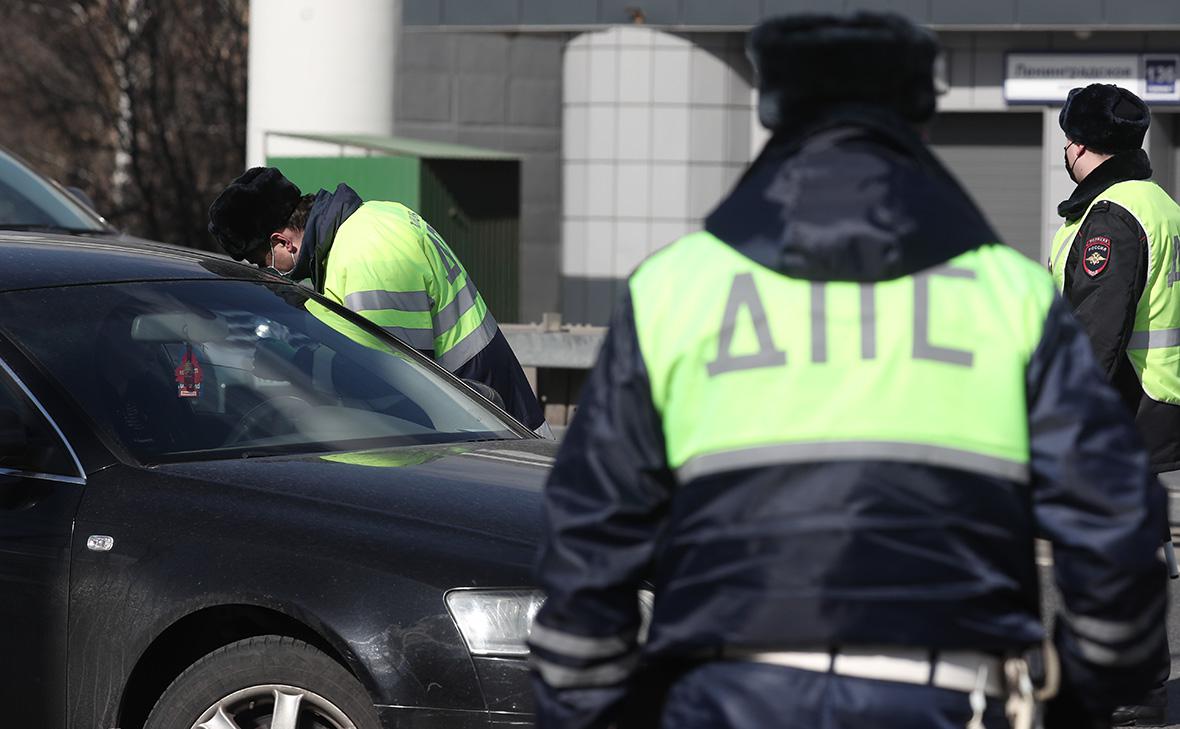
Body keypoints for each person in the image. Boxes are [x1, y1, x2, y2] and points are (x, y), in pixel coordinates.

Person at [527, 12, 1168, 729]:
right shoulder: (1007, 295)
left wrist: (594, 708)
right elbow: (1118, 533)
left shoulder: (674, 289)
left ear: (773, 111)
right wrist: (1077, 694)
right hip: (955, 698)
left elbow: (588, 537)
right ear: (920, 120)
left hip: (726, 696)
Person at [207, 168, 548, 435]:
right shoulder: (376, 218)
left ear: (282, 241)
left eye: (261, 260)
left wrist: (289, 363)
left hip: (485, 439)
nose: (268, 270)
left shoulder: (365, 258)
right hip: (495, 425)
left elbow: (394, 382)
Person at [1049, 83, 1180, 727]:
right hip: (1155, 401)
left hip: (1123, 409)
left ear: (1077, 145)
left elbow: (1096, 334)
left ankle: (1130, 692)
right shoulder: (1156, 203)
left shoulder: (1111, 217)